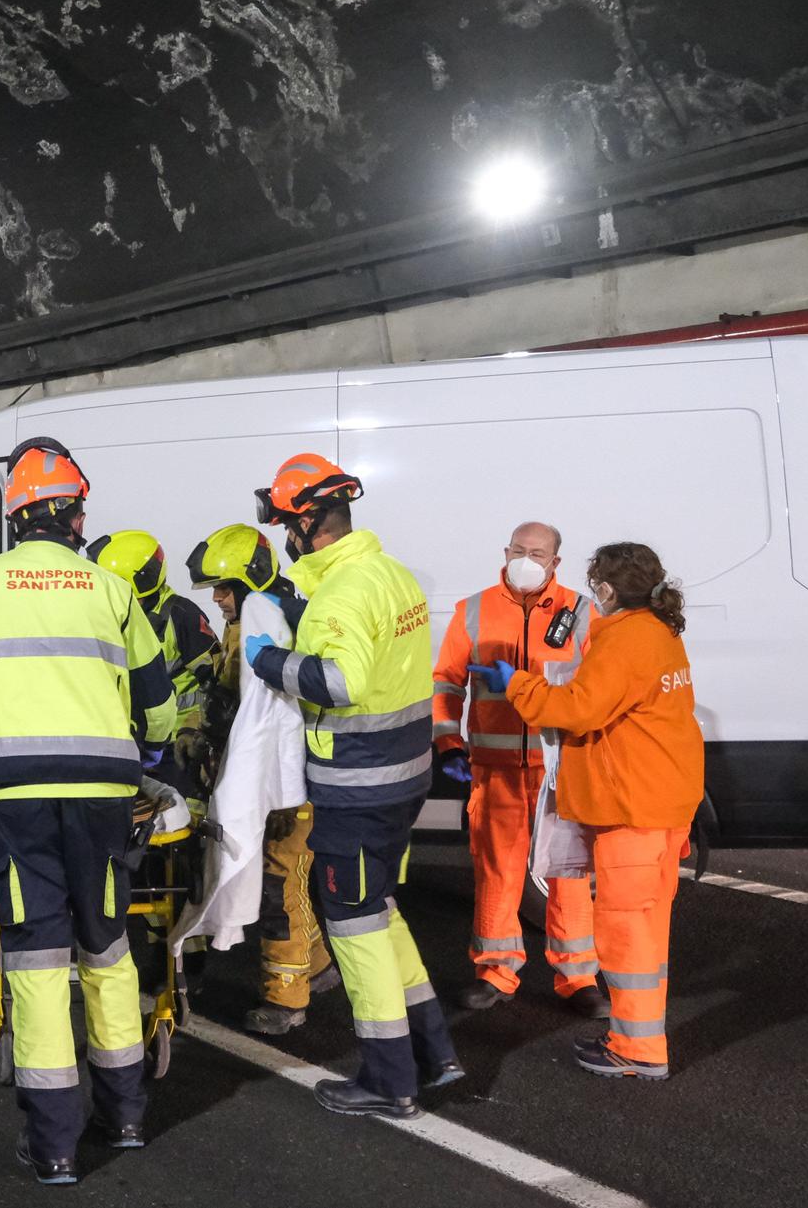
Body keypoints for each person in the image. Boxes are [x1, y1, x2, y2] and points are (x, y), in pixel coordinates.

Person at [0, 438, 177, 1186]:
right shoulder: (110, 588)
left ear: (17, 514)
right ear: (75, 516)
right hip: (104, 796)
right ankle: (126, 1116)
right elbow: (158, 708)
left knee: (35, 959)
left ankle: (56, 1145)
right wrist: (148, 756)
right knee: (107, 947)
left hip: (17, 795)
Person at [243, 453, 462, 1119]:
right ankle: (436, 1052)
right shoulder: (390, 575)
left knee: (355, 931)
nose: (284, 536)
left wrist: (271, 660)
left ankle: (389, 1080)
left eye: (286, 523)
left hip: (356, 787)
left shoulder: (342, 593)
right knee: (382, 912)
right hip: (401, 780)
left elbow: (342, 682)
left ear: (311, 523)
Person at [469, 542, 704, 1081]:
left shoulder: (627, 639)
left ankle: (639, 1052)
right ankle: (633, 1033)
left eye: (594, 582)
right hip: (660, 802)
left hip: (633, 812)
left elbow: (578, 710)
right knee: (645, 931)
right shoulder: (658, 632)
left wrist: (518, 684)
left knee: (627, 936)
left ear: (605, 589)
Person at [433, 521, 605, 1016]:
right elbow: (446, 681)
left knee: (568, 873)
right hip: (496, 767)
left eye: (538, 552)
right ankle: (495, 971)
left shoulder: (580, 611)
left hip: (559, 768)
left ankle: (578, 979)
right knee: (497, 871)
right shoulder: (474, 610)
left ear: (556, 562)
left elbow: (594, 688)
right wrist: (449, 742)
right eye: (519, 549)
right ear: (505, 551)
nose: (526, 559)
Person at [184, 524, 338, 1036]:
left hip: (287, 786)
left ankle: (286, 998)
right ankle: (315, 968)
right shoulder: (257, 619)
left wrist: (267, 790)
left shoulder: (270, 620)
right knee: (289, 879)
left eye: (224, 588)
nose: (218, 599)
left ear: (249, 580)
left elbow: (273, 719)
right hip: (282, 781)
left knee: (278, 887)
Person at [85, 531, 220, 792]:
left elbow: (216, 681)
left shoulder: (181, 616)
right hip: (127, 742)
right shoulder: (108, 618)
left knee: (182, 818)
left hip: (176, 747)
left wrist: (196, 731)